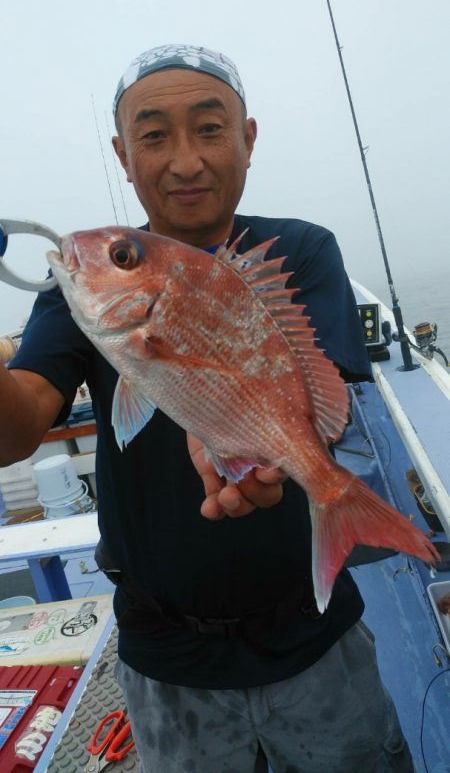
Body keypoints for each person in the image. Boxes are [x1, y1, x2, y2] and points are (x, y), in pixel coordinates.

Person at [1, 45, 413, 773]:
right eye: (155, 135)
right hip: (167, 655)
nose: (185, 160)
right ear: (123, 155)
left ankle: (342, 517)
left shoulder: (299, 251)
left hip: (315, 637)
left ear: (247, 138)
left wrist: (259, 451)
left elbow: (324, 410)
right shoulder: (79, 294)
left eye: (210, 128)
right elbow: (17, 428)